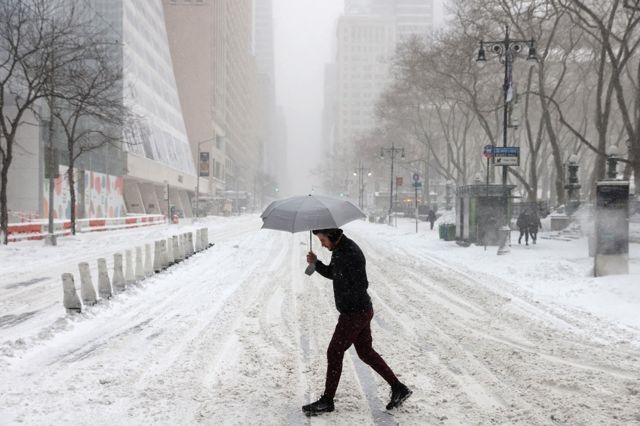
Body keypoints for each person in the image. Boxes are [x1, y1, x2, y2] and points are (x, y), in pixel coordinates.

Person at [302, 228, 412, 416]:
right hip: (360, 310)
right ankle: (398, 388)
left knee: (334, 351)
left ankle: (327, 400)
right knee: (365, 352)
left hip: (355, 313)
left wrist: (344, 288)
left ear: (332, 235)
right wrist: (317, 264)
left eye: (323, 239)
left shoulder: (349, 252)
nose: (322, 244)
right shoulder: (340, 249)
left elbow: (358, 284)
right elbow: (333, 272)